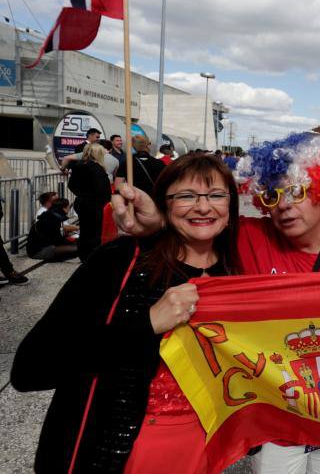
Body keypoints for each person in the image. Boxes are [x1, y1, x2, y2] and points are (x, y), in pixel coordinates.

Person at [112, 131, 320, 474]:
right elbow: (201, 224)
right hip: (276, 415)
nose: (283, 204)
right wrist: (157, 222)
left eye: (297, 191)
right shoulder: (249, 236)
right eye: (272, 193)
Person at [12, 153, 241, 472]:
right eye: (186, 196)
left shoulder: (240, 273)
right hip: (115, 454)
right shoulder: (120, 262)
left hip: (199, 453)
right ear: (165, 205)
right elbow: (30, 369)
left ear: (232, 207)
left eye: (216, 195)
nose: (203, 207)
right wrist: (145, 325)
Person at [67, 143, 112, 261]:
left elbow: (71, 185)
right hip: (95, 204)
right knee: (95, 231)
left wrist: (81, 194)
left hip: (82, 202)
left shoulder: (78, 166)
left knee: (85, 230)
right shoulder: (98, 169)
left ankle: (83, 254)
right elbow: (102, 189)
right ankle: (92, 256)